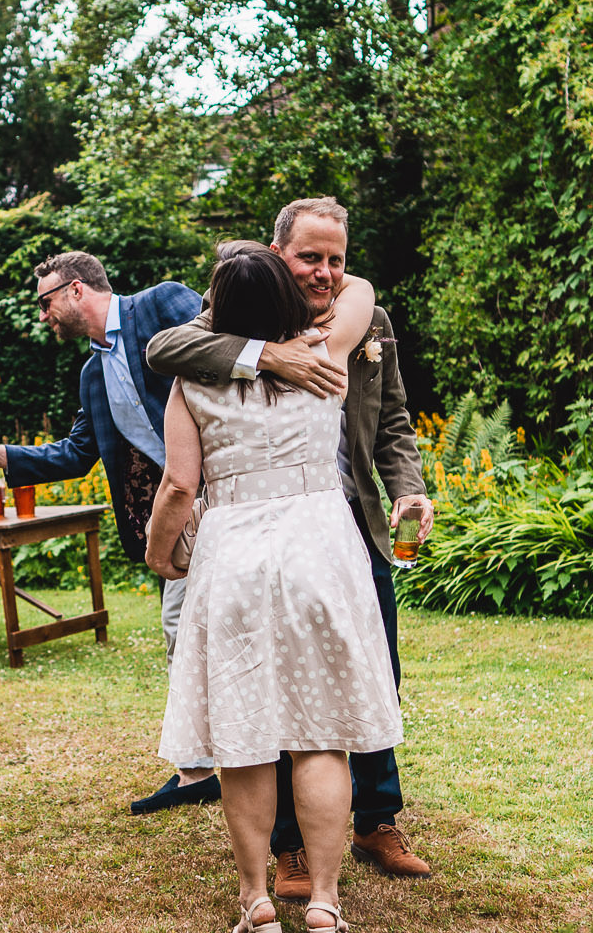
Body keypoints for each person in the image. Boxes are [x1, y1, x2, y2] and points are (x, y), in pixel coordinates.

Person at [145, 196, 435, 893]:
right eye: (311, 257)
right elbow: (164, 348)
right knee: (268, 695)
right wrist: (269, 354)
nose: (326, 273)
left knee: (368, 675)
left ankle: (377, 817)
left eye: (337, 259)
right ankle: (290, 850)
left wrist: (407, 488)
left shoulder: (365, 318)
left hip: (349, 524)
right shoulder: (227, 321)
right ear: (279, 254)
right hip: (267, 523)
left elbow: (391, 418)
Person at [0, 251, 216, 815]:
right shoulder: (92, 373)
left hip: (231, 492)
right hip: (177, 516)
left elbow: (225, 350)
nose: (43, 315)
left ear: (75, 291)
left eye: (45, 303)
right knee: (180, 631)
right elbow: (76, 454)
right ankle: (199, 771)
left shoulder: (161, 303)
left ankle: (242, 762)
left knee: (219, 627)